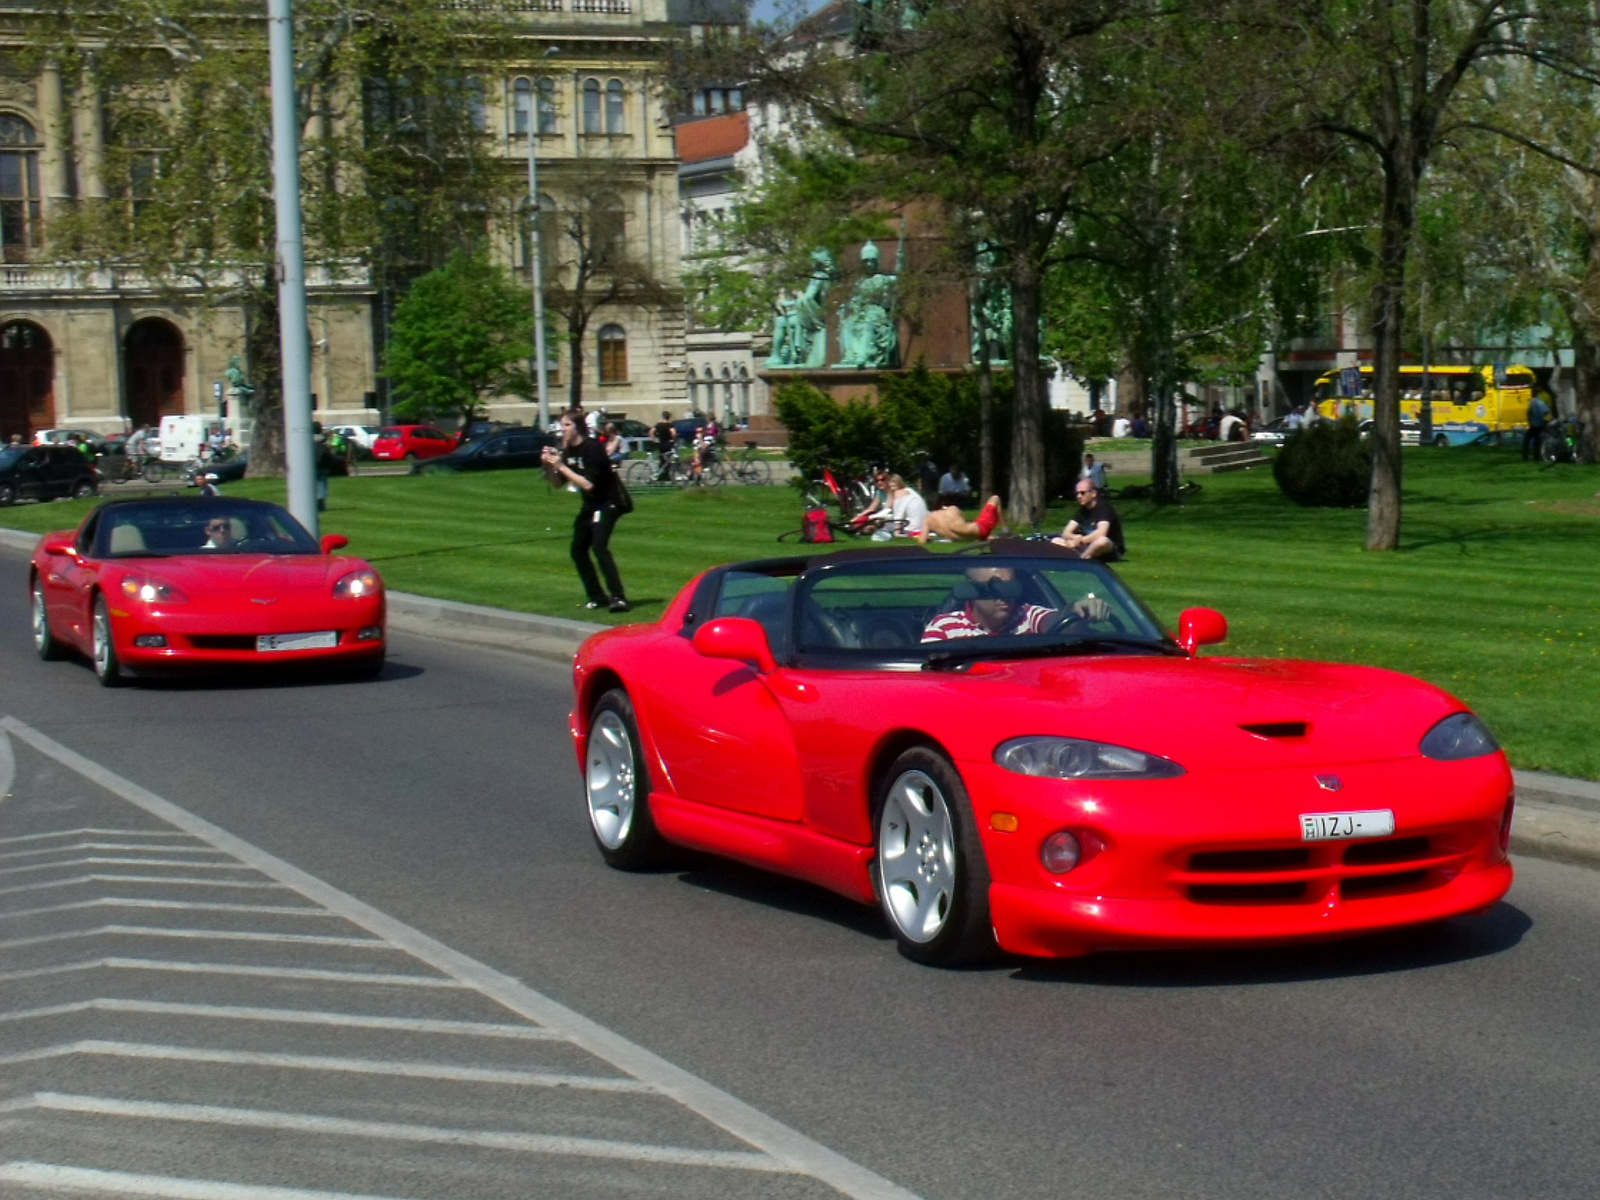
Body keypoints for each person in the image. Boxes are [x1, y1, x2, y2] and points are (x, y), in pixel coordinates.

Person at [542, 408, 630, 613]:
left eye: (567, 425)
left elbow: (588, 484)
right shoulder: (569, 451)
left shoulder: (592, 448)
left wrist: (562, 466)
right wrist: (549, 466)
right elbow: (557, 484)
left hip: (609, 502)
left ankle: (619, 598)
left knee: (599, 546)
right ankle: (597, 596)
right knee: (578, 549)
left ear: (578, 427)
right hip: (591, 505)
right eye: (562, 425)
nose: (563, 429)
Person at [921, 566, 1110, 641]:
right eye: (995, 588)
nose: (1005, 597)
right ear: (972, 591)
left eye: (1011, 588)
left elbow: (1056, 621)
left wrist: (1077, 611)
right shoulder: (943, 629)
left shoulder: (1028, 616)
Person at [1053, 479, 1125, 561]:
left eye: (1082, 493)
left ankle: (1082, 559)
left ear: (1093, 493)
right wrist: (1074, 538)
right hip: (1087, 545)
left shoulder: (1104, 508)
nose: (1079, 496)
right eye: (1077, 493)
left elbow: (1101, 533)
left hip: (1109, 549)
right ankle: (1083, 556)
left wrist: (1081, 541)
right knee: (1056, 541)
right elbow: (1066, 532)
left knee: (1102, 541)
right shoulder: (1082, 510)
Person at [865, 474, 931, 540]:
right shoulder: (909, 491)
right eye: (890, 482)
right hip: (924, 526)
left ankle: (872, 528)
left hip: (912, 528)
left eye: (893, 482)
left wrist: (897, 532)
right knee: (886, 524)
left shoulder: (899, 493)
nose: (891, 484)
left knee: (886, 527)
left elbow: (899, 515)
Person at [920, 493, 1005, 544]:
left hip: (968, 538)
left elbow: (922, 541)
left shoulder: (927, 520)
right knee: (995, 498)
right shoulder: (952, 509)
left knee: (975, 532)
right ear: (943, 504)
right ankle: (1006, 530)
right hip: (981, 529)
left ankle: (996, 537)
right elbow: (965, 524)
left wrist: (929, 539)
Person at [1525, 391, 1552, 461]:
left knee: (1527, 440)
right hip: (1540, 425)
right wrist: (1545, 421)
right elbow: (1548, 412)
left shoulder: (1533, 401)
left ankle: (1525, 457)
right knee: (1537, 441)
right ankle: (1536, 457)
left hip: (1534, 424)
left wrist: (1530, 421)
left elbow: (1529, 412)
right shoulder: (1542, 403)